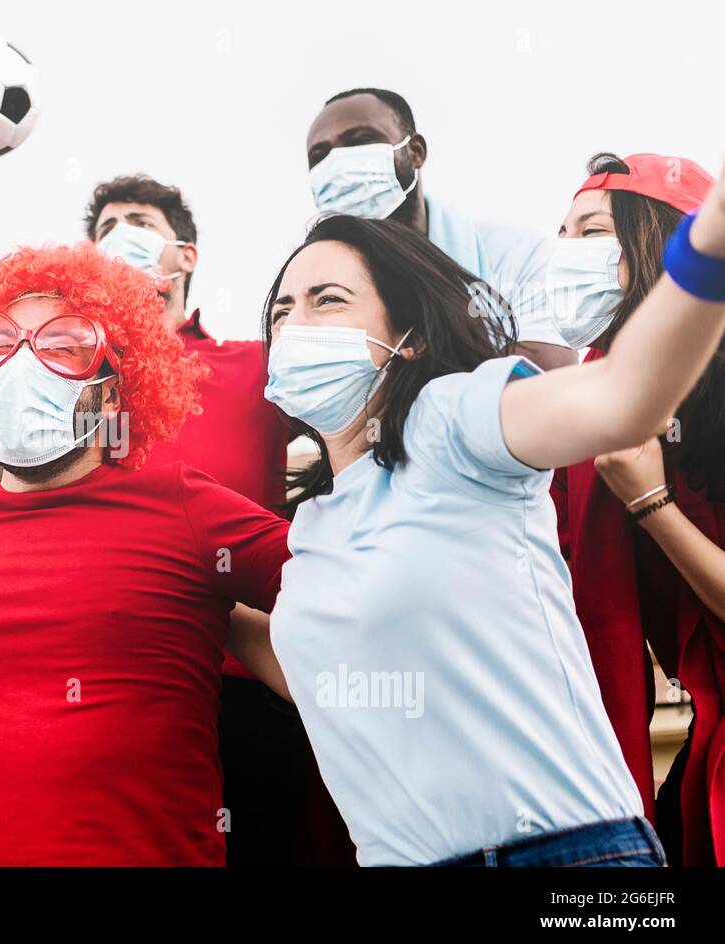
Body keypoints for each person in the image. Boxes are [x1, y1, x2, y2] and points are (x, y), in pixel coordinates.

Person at [231, 171, 725, 864]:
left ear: (406, 338)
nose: (294, 325)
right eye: (281, 311)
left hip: (565, 859)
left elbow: (623, 396)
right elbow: (325, 674)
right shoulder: (313, 528)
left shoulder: (456, 419)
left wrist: (713, 241)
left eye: (327, 300)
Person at [0, 77, 316, 867]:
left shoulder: (186, 505)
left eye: (59, 344)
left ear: (110, 383)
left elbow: (346, 615)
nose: (21, 364)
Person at [548, 152, 725, 866]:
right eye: (560, 235)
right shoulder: (589, 408)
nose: (564, 253)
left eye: (589, 231)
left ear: (658, 239)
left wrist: (652, 504)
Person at [305, 87, 574, 371]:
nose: (339, 165)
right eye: (320, 156)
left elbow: (548, 376)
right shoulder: (307, 283)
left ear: (416, 152)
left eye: (361, 141)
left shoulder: (517, 253)